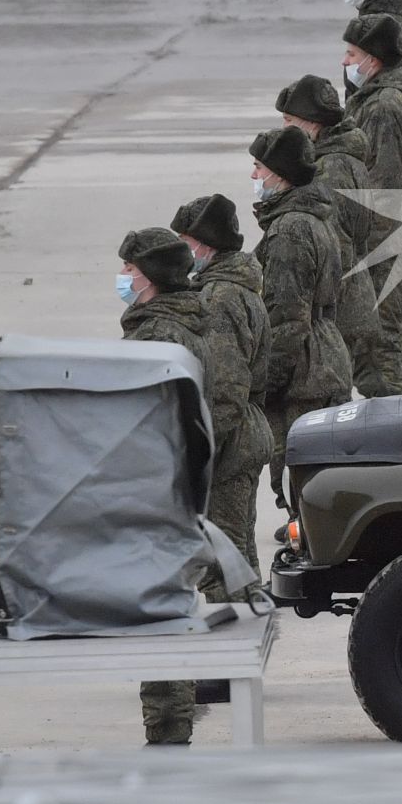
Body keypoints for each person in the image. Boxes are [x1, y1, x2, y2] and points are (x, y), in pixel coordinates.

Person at [116, 226, 213, 746]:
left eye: (130, 270)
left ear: (150, 278)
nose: (124, 278)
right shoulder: (191, 324)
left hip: (158, 486)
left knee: (158, 604)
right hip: (181, 481)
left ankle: (168, 727)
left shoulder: (154, 337)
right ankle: (172, 719)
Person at [277, 74, 402, 397]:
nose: (284, 129)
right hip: (356, 295)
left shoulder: (329, 169)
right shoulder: (335, 158)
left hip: (346, 301)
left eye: (289, 121)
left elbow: (334, 248)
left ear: (311, 124)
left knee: (376, 389)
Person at [169, 194, 271, 597]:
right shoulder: (231, 287)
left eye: (185, 240)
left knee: (223, 564)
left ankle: (234, 646)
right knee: (239, 559)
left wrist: (202, 453)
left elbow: (225, 389)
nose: (181, 250)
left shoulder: (220, 298)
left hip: (230, 444)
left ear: (205, 245)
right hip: (244, 435)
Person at [250, 127, 353, 506]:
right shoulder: (314, 217)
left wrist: (266, 381)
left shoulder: (290, 230)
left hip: (303, 378)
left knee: (301, 487)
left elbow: (288, 319)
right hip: (324, 361)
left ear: (282, 174)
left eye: (259, 167)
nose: (253, 176)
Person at [344, 13, 402, 385]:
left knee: (379, 350)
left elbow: (382, 188)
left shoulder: (383, 109)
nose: (345, 62)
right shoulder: (378, 101)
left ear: (372, 61)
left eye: (351, 54)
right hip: (389, 238)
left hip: (380, 241)